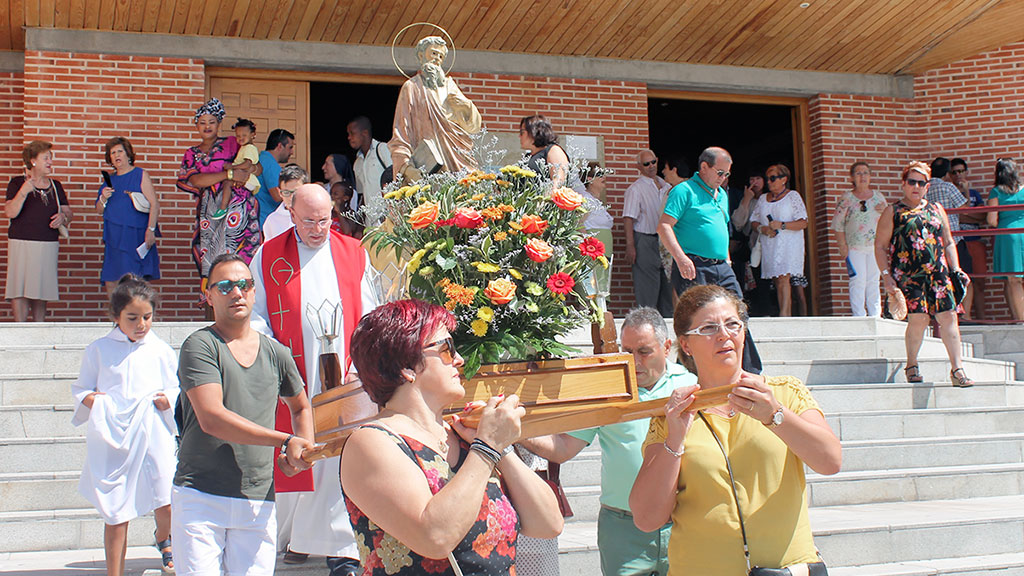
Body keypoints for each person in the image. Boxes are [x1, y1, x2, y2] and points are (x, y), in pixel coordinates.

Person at [629, 284, 841, 575]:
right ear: (686, 344)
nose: (724, 335)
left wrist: (775, 415)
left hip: (785, 569)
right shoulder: (673, 415)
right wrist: (675, 440)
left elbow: (830, 461)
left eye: (732, 324)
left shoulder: (784, 393)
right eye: (708, 328)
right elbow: (646, 518)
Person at [342, 299, 564, 576]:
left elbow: (548, 524)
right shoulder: (372, 443)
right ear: (406, 367)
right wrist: (487, 447)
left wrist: (500, 448)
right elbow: (435, 538)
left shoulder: (466, 439)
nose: (459, 360)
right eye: (446, 349)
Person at [250, 183, 378, 575]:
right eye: (309, 221)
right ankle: (299, 537)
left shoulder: (353, 252)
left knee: (340, 455)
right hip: (295, 374)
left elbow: (371, 311)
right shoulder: (268, 255)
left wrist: (361, 362)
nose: (318, 229)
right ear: (290, 214)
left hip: (345, 373)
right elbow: (256, 314)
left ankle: (343, 547)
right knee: (301, 453)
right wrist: (276, 358)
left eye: (324, 220)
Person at [520, 307, 697, 576]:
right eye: (627, 351)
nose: (634, 361)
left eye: (644, 351)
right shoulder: (607, 390)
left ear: (666, 347)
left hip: (683, 520)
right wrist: (516, 431)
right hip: (623, 529)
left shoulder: (691, 385)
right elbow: (564, 448)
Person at [172, 252, 314, 575]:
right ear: (208, 295)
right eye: (224, 286)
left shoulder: (276, 352)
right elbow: (212, 418)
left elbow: (301, 406)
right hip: (200, 495)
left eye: (244, 285)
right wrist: (285, 440)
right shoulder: (200, 346)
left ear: (253, 291)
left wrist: (302, 452)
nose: (236, 292)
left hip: (257, 500)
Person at [72, 275, 179, 576]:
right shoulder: (99, 349)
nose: (141, 324)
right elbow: (82, 388)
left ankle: (164, 538)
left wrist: (168, 399)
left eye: (147, 317)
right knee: (116, 511)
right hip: (114, 435)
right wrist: (92, 400)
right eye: (132, 318)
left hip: (153, 430)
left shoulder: (160, 350)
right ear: (116, 316)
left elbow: (175, 387)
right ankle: (114, 571)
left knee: (166, 496)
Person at [658, 146, 762, 373]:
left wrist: (727, 260)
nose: (723, 178)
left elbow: (721, 228)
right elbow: (664, 226)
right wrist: (681, 258)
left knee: (738, 314)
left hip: (721, 266)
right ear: (704, 167)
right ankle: (691, 372)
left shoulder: (722, 195)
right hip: (693, 265)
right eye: (720, 172)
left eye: (727, 174)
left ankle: (749, 371)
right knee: (698, 320)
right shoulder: (683, 191)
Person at [875, 161, 973, 387]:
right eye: (912, 182)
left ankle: (957, 369)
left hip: (938, 274)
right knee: (918, 319)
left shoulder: (936, 209)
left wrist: (956, 269)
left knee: (949, 317)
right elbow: (880, 246)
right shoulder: (893, 211)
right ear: (904, 184)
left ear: (928, 186)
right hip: (909, 275)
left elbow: (948, 242)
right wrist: (886, 276)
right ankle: (912, 364)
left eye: (921, 183)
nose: (916, 187)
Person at [176, 98, 260, 282]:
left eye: (212, 122)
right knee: (213, 260)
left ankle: (244, 296)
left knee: (241, 256)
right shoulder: (191, 153)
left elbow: (256, 166)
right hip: (211, 211)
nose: (207, 126)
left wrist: (248, 170)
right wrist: (229, 174)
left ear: (219, 124)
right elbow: (196, 180)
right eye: (202, 123)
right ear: (196, 126)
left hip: (239, 208)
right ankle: (214, 298)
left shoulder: (233, 143)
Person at [390, 36, 482, 181]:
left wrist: (466, 105)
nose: (437, 59)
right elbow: (401, 131)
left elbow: (473, 127)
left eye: (441, 56)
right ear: (421, 55)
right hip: (428, 159)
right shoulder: (412, 87)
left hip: (456, 155)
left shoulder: (450, 85)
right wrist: (406, 167)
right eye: (433, 53)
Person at [5, 140, 73, 322]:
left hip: (47, 244)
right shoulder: (17, 183)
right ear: (33, 161)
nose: (50, 161)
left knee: (41, 289)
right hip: (21, 243)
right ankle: (21, 329)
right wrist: (24, 191)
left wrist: (63, 217)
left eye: (51, 158)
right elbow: (10, 212)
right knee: (19, 288)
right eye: (46, 158)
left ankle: (39, 328)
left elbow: (68, 213)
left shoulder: (56, 186)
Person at [96, 137, 161, 296]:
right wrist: (103, 198)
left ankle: (137, 310)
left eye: (120, 151)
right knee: (111, 280)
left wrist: (151, 230)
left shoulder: (139, 174)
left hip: (135, 236)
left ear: (128, 154)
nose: (116, 155)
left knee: (134, 281)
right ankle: (116, 311)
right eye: (113, 153)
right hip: (114, 237)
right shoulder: (109, 180)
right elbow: (99, 210)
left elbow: (154, 204)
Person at [750, 164, 808, 317]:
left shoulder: (793, 196)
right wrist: (763, 229)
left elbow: (803, 222)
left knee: (783, 279)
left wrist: (782, 225)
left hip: (789, 245)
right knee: (777, 280)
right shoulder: (763, 199)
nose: (769, 182)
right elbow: (753, 221)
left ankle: (784, 316)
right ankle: (785, 314)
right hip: (771, 245)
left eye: (773, 178)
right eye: (767, 178)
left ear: (784, 179)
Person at [623, 149, 674, 317]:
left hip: (666, 242)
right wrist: (630, 245)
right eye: (646, 164)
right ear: (639, 167)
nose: (651, 166)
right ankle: (646, 326)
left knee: (668, 290)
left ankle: (667, 327)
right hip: (645, 240)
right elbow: (628, 218)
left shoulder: (667, 186)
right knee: (647, 293)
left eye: (653, 162)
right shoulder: (635, 189)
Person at [831, 161, 886, 316]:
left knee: (873, 280)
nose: (863, 176)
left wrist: (885, 211)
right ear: (852, 178)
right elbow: (838, 224)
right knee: (858, 280)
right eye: (858, 173)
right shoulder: (847, 198)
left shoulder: (878, 197)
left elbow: (888, 221)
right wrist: (842, 245)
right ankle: (859, 315)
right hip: (854, 246)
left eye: (866, 173)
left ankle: (875, 314)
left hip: (875, 247)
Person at [950, 158, 990, 319]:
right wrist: (966, 215)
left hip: (975, 240)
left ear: (966, 172)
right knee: (960, 281)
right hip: (957, 243)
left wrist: (963, 215)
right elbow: (954, 217)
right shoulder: (949, 192)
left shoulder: (974, 194)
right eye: (954, 172)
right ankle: (963, 318)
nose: (958, 175)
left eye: (961, 171)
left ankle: (981, 319)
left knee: (979, 282)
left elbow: (982, 216)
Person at [987, 158, 1024, 321]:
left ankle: (1021, 320)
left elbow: (992, 220)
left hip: (1008, 237)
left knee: (1013, 280)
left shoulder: (996, 192)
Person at [212, 118, 261, 220]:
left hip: (248, 179)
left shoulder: (249, 148)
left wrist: (232, 167)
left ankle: (223, 208)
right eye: (238, 136)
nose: (241, 138)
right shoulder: (245, 147)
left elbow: (247, 164)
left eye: (244, 135)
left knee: (227, 183)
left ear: (253, 134)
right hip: (246, 178)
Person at [348, 116, 391, 221]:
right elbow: (362, 195)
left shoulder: (382, 149)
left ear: (365, 133)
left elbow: (396, 179)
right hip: (370, 222)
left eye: (352, 133)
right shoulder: (357, 163)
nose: (349, 137)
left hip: (388, 218)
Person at [520, 114, 581, 189]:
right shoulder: (528, 156)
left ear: (534, 131)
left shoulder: (553, 150)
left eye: (522, 132)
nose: (519, 136)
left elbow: (558, 181)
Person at [254, 128, 296, 228]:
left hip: (259, 220)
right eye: (290, 147)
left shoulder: (262, 158)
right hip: (266, 223)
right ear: (280, 146)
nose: (292, 152)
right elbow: (277, 196)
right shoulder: (270, 164)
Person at [261, 164, 308, 241]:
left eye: (296, 192)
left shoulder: (315, 216)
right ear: (279, 192)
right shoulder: (272, 221)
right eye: (286, 192)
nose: (291, 197)